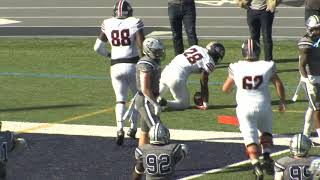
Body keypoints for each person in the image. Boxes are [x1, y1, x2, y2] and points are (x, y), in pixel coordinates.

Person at [222, 38, 286, 179]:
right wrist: (282, 101)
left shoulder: (236, 66)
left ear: (243, 52)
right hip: (263, 105)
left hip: (245, 108)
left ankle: (256, 164)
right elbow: (278, 84)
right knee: (266, 132)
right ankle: (267, 155)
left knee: (250, 137)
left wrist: (234, 87)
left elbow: (225, 89)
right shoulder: (267, 65)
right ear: (258, 51)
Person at [93, 0, 144, 145]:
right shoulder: (135, 22)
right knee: (137, 98)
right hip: (133, 63)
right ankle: (133, 128)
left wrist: (109, 55)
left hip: (115, 65)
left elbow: (97, 48)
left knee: (120, 99)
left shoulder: (107, 23)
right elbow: (142, 45)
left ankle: (119, 128)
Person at [158, 41, 225, 110]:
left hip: (167, 70)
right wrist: (205, 102)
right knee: (184, 104)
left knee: (155, 96)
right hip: (176, 77)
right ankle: (164, 103)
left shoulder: (196, 47)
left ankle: (153, 103)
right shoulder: (209, 61)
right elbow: (203, 81)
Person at [134, 37, 165, 146]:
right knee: (158, 131)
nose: (159, 53)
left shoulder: (154, 61)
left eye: (160, 50)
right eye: (156, 51)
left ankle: (140, 161)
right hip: (145, 100)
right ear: (148, 50)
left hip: (149, 99)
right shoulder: (145, 63)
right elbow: (145, 88)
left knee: (144, 132)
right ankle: (155, 160)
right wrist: (155, 104)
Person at [298, 15, 320, 145]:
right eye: (316, 29)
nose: (318, 31)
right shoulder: (306, 42)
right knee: (317, 108)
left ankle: (305, 134)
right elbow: (301, 65)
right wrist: (307, 81)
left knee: (312, 108)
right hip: (311, 78)